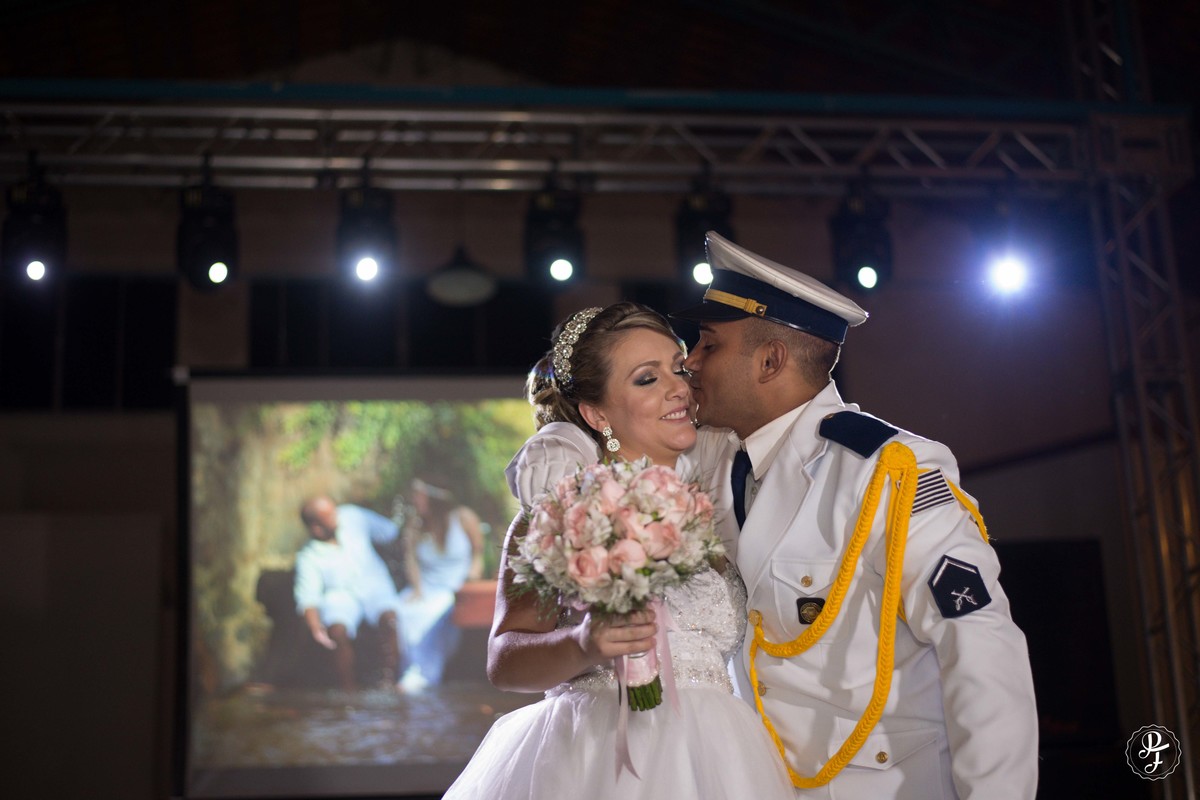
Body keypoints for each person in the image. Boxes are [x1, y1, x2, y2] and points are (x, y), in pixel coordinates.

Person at [673, 232, 1039, 799]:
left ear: (770, 361)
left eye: (708, 345)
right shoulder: (715, 457)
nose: (689, 363)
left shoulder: (889, 471)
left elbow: (980, 646)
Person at [441, 302, 794, 799]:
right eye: (646, 379)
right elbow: (505, 659)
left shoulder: (715, 497)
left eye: (678, 367)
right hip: (596, 757)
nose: (678, 386)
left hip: (720, 762)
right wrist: (584, 644)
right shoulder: (559, 510)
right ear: (595, 413)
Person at [293, 495, 402, 691]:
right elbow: (308, 597)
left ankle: (390, 681)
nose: (337, 515)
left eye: (334, 510)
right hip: (340, 596)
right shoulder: (308, 556)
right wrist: (316, 628)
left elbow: (391, 532)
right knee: (337, 629)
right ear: (316, 528)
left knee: (390, 618)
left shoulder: (353, 516)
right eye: (330, 515)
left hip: (374, 585)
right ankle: (348, 688)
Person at [393, 476, 485, 693]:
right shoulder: (416, 526)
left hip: (455, 588)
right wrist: (416, 588)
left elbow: (478, 552)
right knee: (401, 609)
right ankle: (407, 669)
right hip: (426, 587)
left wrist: (472, 577)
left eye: (419, 496)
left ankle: (426, 673)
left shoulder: (463, 517)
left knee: (437, 611)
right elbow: (411, 561)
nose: (415, 501)